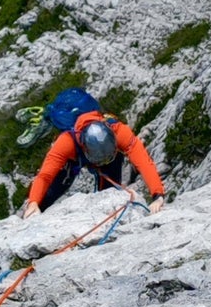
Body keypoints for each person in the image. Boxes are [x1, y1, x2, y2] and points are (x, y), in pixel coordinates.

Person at [20, 87, 167, 218]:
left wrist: (157, 194)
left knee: (108, 194)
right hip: (75, 157)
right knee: (53, 190)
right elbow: (45, 175)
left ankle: (104, 217)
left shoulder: (119, 132)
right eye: (99, 160)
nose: (101, 163)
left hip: (109, 155)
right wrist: (34, 202)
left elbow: (143, 162)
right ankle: (33, 212)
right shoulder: (66, 142)